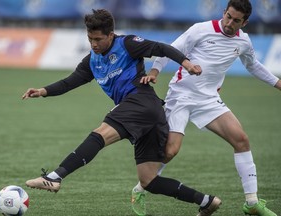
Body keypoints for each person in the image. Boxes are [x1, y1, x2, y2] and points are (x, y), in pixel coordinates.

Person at [22, 9, 222, 216]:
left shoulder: (127, 44)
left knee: (99, 134)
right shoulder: (92, 60)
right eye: (90, 39)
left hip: (140, 101)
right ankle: (206, 201)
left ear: (110, 35)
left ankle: (56, 176)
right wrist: (42, 91)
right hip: (148, 116)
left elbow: (161, 48)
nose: (94, 44)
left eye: (98, 39)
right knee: (149, 181)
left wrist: (187, 64)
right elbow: (70, 82)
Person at [132, 0, 281, 216]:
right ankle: (140, 188)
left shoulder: (244, 42)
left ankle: (251, 202)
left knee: (241, 140)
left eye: (236, 20)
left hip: (209, 100)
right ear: (224, 12)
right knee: (170, 151)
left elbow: (253, 65)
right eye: (228, 16)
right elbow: (170, 50)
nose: (230, 23)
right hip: (180, 96)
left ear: (245, 22)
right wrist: (154, 71)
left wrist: (277, 83)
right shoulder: (200, 30)